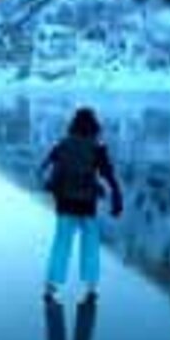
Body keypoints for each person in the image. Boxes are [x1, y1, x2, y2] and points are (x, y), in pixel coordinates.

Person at [40, 108, 124, 301]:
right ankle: (91, 286)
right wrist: (117, 197)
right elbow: (108, 175)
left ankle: (51, 285)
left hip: (65, 203)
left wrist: (51, 185)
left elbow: (44, 167)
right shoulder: (97, 148)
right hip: (87, 204)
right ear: (94, 127)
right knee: (90, 245)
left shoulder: (62, 145)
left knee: (61, 244)